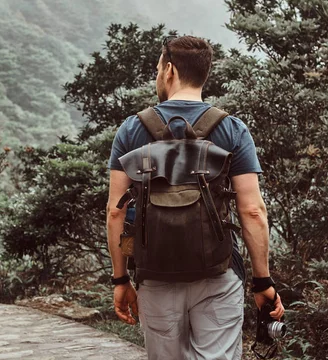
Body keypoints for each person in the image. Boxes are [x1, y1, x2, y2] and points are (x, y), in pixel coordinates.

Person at [106, 35, 284, 360]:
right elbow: (253, 211)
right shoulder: (232, 129)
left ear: (170, 70)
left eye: (159, 68)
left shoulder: (132, 130)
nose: (158, 75)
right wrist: (262, 282)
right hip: (216, 273)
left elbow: (116, 212)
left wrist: (120, 278)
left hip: (155, 275)